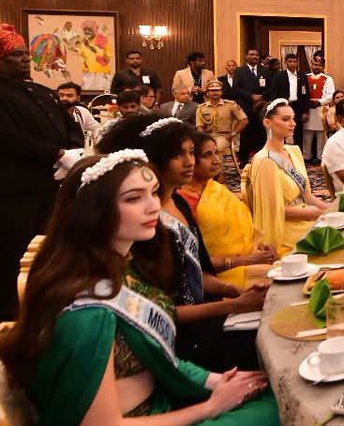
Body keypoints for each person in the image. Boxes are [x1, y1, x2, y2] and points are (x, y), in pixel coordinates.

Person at [0, 152, 298, 426]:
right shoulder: (85, 313)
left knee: (276, 400)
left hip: (151, 421)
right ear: (93, 212)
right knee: (278, 423)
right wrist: (209, 406)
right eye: (132, 198)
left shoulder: (118, 270)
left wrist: (219, 380)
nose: (152, 206)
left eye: (152, 192)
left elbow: (159, 361)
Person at [97, 115, 268, 370]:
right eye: (179, 155)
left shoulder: (178, 203)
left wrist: (239, 294)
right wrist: (235, 304)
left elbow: (198, 272)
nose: (190, 162)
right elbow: (160, 309)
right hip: (181, 340)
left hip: (207, 318)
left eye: (191, 152)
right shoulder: (145, 227)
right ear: (153, 159)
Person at [0, 24, 84, 319]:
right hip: (14, 191)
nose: (25, 59)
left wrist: (74, 150)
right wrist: (57, 154)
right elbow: (8, 138)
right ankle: (13, 316)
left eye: (25, 54)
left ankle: (47, 307)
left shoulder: (41, 90)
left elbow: (71, 124)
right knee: (15, 255)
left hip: (52, 186)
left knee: (49, 250)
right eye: (16, 55)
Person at [178, 132, 275, 288]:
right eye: (207, 155)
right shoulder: (183, 201)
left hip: (246, 260)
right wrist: (247, 259)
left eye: (217, 153)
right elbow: (194, 263)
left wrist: (257, 246)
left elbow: (242, 228)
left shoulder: (215, 189)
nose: (217, 160)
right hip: (217, 275)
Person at [251, 99, 329, 253]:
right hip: (286, 231)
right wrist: (312, 214)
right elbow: (273, 210)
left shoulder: (293, 151)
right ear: (268, 123)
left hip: (306, 217)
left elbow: (307, 195)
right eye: (285, 119)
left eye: (293, 118)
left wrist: (330, 210)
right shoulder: (264, 161)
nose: (293, 123)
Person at [195, 80, 248, 166]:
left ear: (221, 92)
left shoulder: (230, 105)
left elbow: (244, 120)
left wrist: (233, 133)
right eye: (212, 90)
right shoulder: (201, 108)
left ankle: (218, 173)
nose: (215, 92)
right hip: (207, 136)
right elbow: (200, 127)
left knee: (215, 148)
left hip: (224, 136)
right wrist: (202, 139)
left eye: (217, 90)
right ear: (207, 93)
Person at [265, 53, 309, 147]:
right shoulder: (279, 76)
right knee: (282, 129)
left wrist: (305, 111)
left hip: (298, 107)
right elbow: (274, 92)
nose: (292, 63)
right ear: (285, 63)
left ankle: (298, 154)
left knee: (298, 132)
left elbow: (306, 94)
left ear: (297, 63)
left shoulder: (302, 76)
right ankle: (281, 151)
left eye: (294, 61)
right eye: (290, 61)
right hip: (283, 106)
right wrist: (276, 107)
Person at [303, 55, 335, 162]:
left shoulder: (328, 79)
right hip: (308, 108)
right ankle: (306, 156)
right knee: (307, 133)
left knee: (321, 134)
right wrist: (307, 103)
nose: (316, 67)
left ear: (323, 67)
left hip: (321, 109)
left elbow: (331, 95)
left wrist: (319, 102)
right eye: (315, 64)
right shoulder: (305, 77)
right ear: (311, 65)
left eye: (319, 65)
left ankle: (320, 156)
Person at [57, 81, 101, 146]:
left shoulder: (82, 111)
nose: (64, 98)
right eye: (61, 95)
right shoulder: (50, 113)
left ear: (78, 98)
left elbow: (97, 129)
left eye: (69, 96)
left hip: (79, 150)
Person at [231, 49, 268, 117]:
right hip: (245, 105)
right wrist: (251, 96)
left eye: (257, 55)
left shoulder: (265, 70)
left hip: (261, 106)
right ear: (246, 56)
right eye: (252, 54)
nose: (255, 57)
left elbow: (270, 86)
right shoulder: (239, 71)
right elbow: (236, 88)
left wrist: (262, 96)